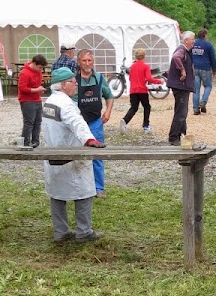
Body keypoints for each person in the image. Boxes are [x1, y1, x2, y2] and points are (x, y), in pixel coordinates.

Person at [42, 66, 105, 243]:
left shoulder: (49, 102)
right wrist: (89, 139)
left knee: (57, 194)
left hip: (53, 153)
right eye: (72, 81)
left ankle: (60, 231)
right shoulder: (66, 105)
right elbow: (77, 123)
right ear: (63, 85)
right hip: (71, 155)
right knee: (84, 191)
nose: (76, 84)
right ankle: (84, 231)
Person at [74, 47, 114, 197]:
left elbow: (109, 96)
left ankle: (99, 188)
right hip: (78, 123)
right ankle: (80, 186)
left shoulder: (99, 78)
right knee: (77, 155)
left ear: (93, 61)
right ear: (78, 62)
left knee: (97, 155)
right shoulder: (73, 80)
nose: (87, 63)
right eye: (84, 60)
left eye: (89, 60)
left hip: (95, 122)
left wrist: (108, 111)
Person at [121, 47, 160, 133]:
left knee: (134, 108)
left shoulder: (132, 66)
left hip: (133, 90)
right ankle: (146, 125)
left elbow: (130, 78)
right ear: (144, 56)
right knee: (147, 107)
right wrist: (159, 81)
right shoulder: (146, 66)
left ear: (135, 56)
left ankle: (125, 120)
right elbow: (149, 78)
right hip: (142, 90)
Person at [166, 31, 195, 145]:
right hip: (180, 86)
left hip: (180, 86)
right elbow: (176, 57)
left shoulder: (185, 50)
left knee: (181, 111)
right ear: (186, 41)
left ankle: (182, 134)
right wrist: (182, 70)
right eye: (192, 39)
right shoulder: (181, 50)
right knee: (181, 112)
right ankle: (173, 137)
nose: (194, 41)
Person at [18, 54, 49, 147]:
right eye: (40, 67)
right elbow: (22, 88)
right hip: (27, 100)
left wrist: (39, 90)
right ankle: (25, 143)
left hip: (37, 99)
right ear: (34, 64)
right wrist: (36, 90)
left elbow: (36, 86)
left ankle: (35, 141)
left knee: (38, 122)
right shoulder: (24, 73)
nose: (41, 70)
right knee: (29, 123)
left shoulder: (38, 72)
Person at [191, 27, 216, 115]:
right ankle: (203, 101)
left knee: (196, 89)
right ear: (205, 35)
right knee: (208, 86)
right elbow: (213, 58)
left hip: (194, 68)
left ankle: (196, 109)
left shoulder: (193, 43)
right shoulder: (208, 44)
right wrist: (214, 70)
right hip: (205, 68)